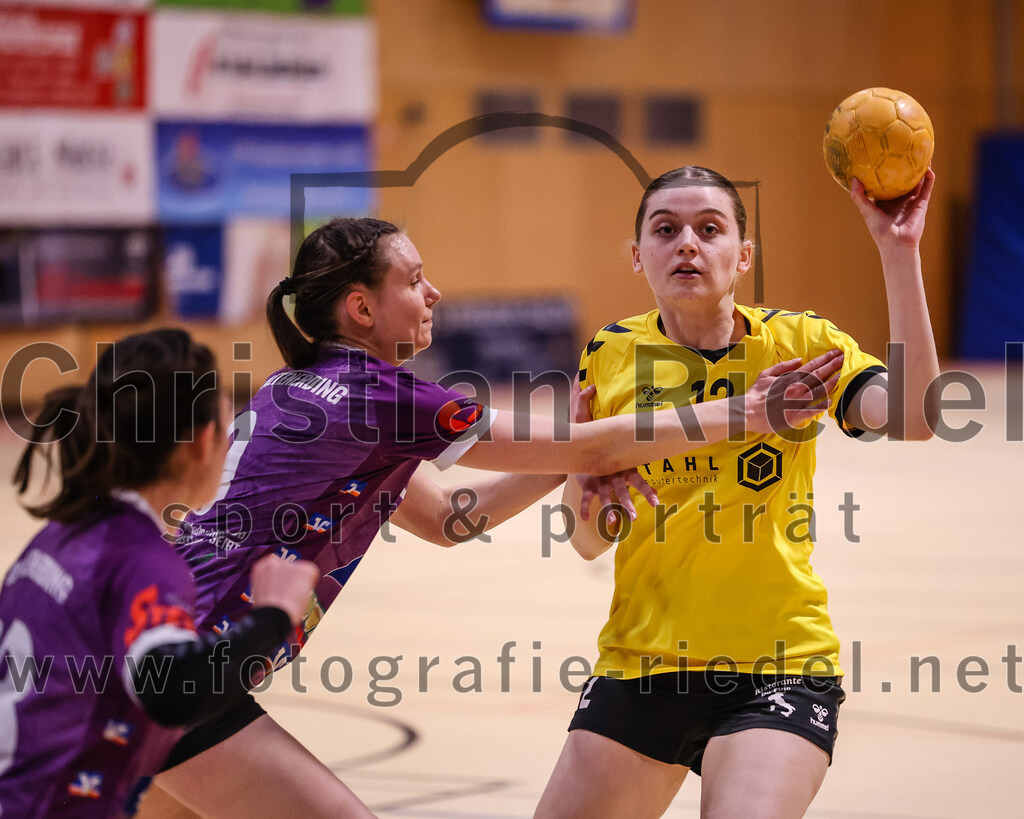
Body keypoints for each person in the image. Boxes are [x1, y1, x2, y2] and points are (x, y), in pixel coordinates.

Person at [140, 217, 845, 818]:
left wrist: (582, 460)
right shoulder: (377, 395)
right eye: (414, 279)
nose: (433, 292)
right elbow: (589, 442)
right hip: (180, 675)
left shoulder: (295, 386)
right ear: (361, 307)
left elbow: (450, 517)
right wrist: (744, 412)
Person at [534, 166, 940, 819]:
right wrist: (594, 492)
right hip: (641, 662)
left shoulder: (802, 345)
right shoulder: (611, 354)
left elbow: (916, 418)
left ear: (743, 255)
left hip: (779, 667)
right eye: (665, 230)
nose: (687, 243)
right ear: (640, 256)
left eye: (709, 228)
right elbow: (586, 540)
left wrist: (899, 252)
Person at [0, 329, 319, 818]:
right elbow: (172, 685)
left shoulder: (58, 536)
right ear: (202, 442)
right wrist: (274, 615)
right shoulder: (142, 560)